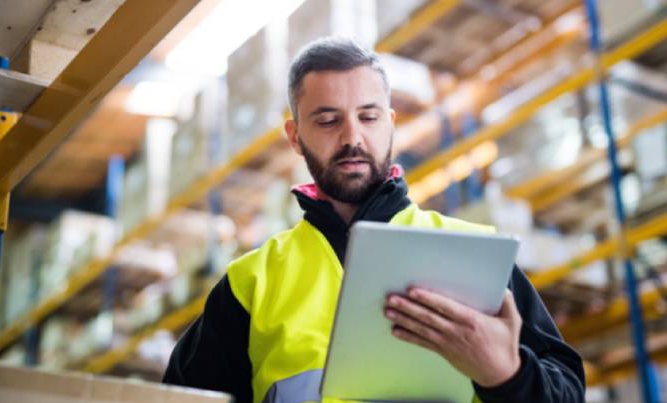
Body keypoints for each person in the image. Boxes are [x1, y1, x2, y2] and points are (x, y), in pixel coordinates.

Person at [163, 37, 585, 403]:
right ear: (295, 137)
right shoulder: (250, 286)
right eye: (328, 120)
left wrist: (507, 375)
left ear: (390, 123)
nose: (352, 138)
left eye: (368, 116)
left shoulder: (476, 255)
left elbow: (567, 393)